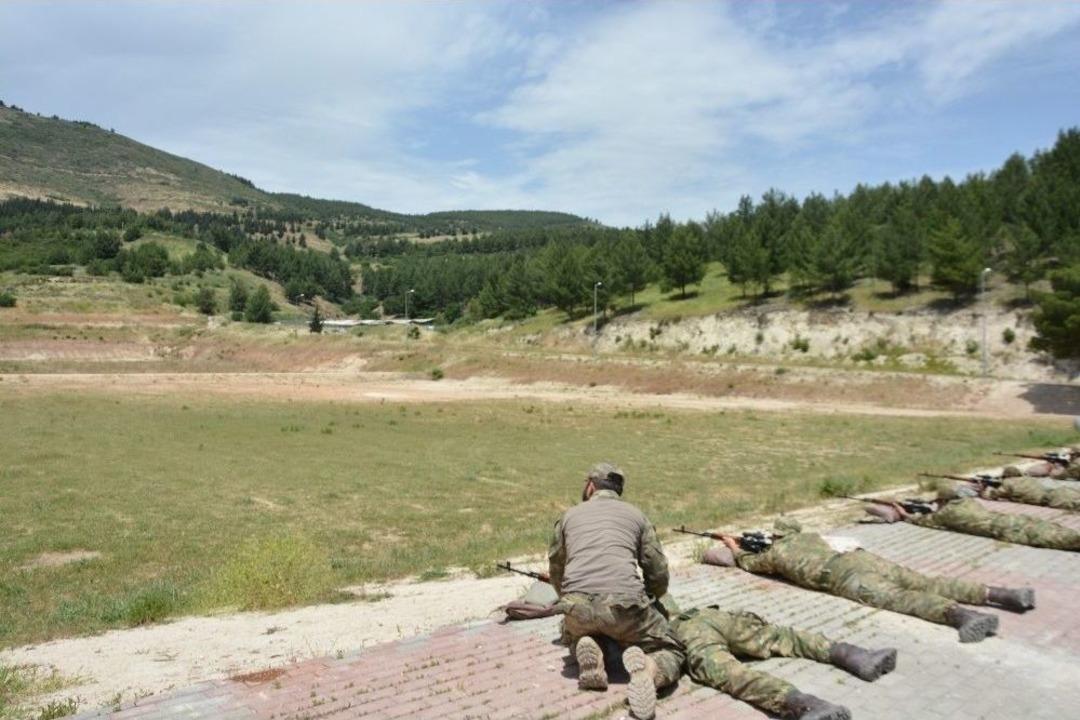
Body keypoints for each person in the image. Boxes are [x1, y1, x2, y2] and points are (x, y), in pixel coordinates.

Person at [702, 520, 1033, 643]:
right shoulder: (806, 535)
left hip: (845, 576)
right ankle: (1002, 594)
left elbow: (746, 563)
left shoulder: (773, 557)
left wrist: (732, 542)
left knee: (904, 599)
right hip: (861, 557)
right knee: (927, 581)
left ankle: (964, 617)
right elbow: (789, 529)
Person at [548, 462, 684, 720]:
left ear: (590, 486)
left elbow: (556, 568)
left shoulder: (568, 516)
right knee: (673, 648)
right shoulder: (636, 515)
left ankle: (591, 649)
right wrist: (651, 597)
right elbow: (657, 572)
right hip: (625, 607)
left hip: (576, 608)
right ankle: (648, 670)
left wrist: (566, 598)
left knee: (583, 625)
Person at [671, 602, 897, 720]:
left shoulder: (639, 609)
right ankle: (856, 655)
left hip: (687, 633)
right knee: (784, 637)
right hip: (710, 616)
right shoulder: (652, 587)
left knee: (734, 675)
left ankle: (803, 705)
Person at [867, 488, 1080, 551]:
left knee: (1054, 539)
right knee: (1056, 529)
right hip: (1013, 518)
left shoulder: (946, 514)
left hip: (1008, 530)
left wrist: (902, 512)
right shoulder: (968, 503)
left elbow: (923, 521)